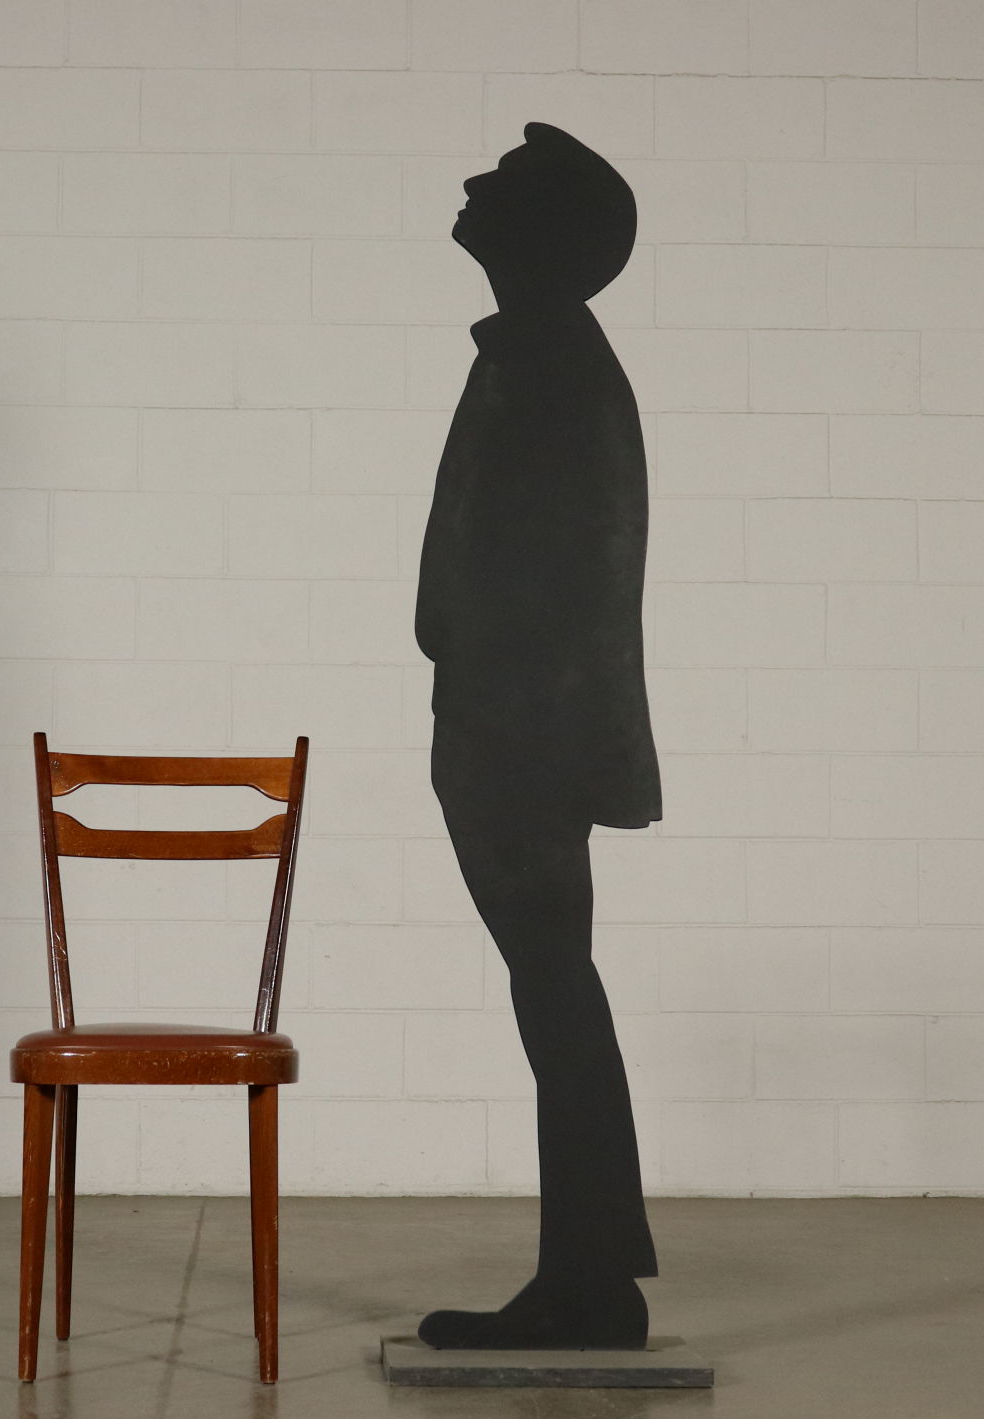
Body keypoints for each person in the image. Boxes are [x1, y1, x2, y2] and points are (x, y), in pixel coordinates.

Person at [413, 121, 661, 1350]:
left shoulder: (557, 363)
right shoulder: (540, 353)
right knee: (556, 990)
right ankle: (592, 1270)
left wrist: (525, 727)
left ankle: (590, 1283)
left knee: (556, 990)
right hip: (512, 724)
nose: (474, 184)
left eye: (504, 183)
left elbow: (585, 574)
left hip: (527, 733)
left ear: (547, 234)